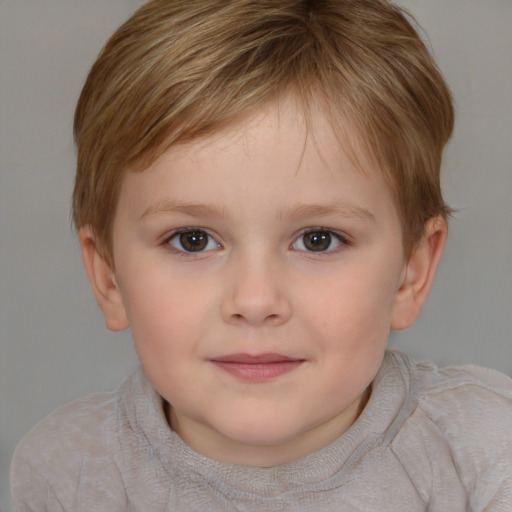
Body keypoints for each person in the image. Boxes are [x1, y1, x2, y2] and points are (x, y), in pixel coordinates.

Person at [11, 0, 512, 510]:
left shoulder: (488, 452)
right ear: (109, 277)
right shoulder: (68, 472)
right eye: (192, 240)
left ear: (412, 272)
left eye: (319, 239)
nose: (254, 301)